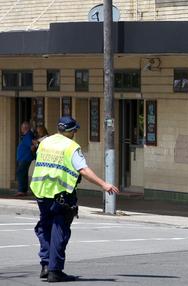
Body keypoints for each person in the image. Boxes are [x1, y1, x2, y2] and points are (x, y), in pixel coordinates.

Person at [30, 116, 119, 282]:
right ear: (71, 131)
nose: (76, 133)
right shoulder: (72, 147)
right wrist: (104, 184)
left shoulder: (45, 142)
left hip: (41, 192)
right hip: (61, 195)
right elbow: (83, 170)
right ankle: (55, 271)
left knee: (45, 227)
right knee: (59, 230)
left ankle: (46, 264)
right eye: (75, 130)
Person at [15, 121, 35, 196]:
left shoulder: (28, 135)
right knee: (23, 173)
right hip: (24, 158)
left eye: (22, 128)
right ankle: (23, 190)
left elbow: (32, 146)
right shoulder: (27, 135)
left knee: (21, 173)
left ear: (25, 128)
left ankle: (21, 191)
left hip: (25, 158)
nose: (21, 129)